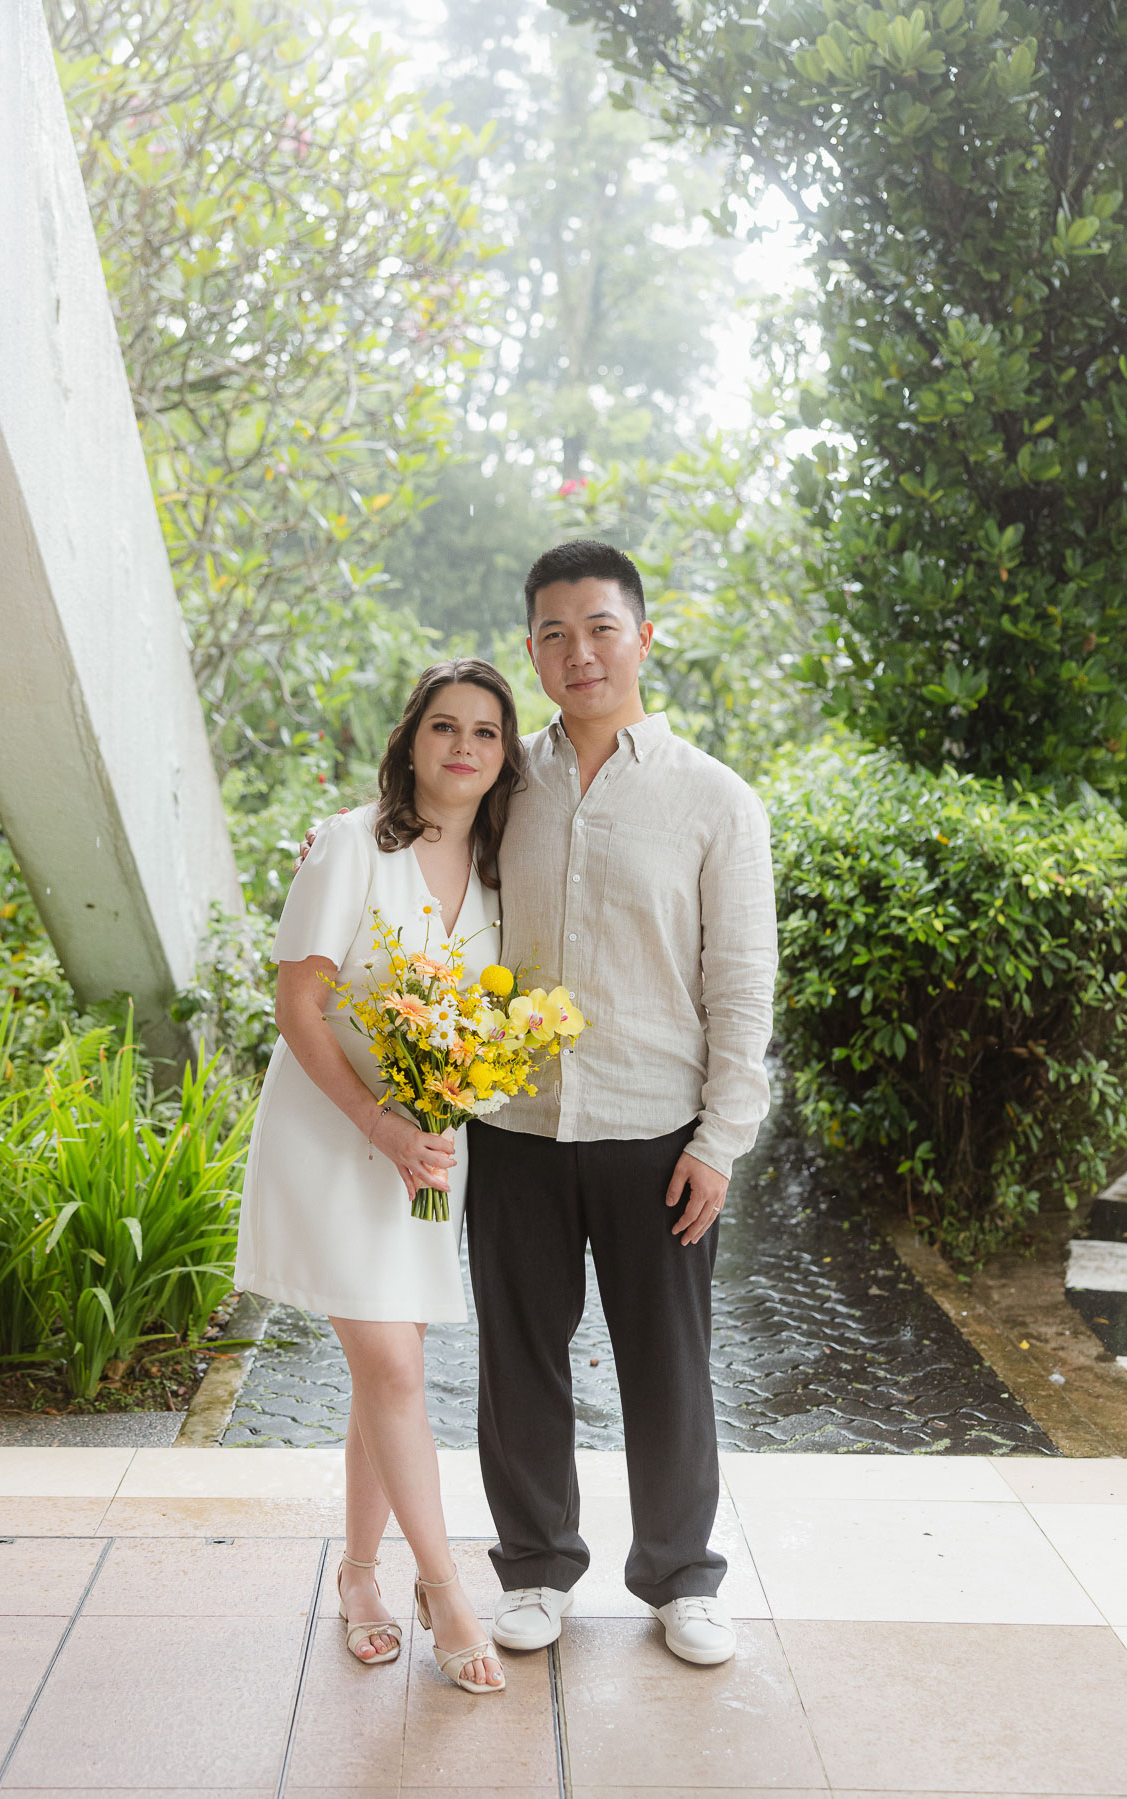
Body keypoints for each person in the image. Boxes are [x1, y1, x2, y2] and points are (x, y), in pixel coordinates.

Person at [300, 539, 778, 1670]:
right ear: (532, 649)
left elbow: (742, 984)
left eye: (601, 628)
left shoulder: (716, 799)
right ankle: (535, 1567)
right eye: (555, 634)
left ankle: (682, 1577)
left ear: (642, 637)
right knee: (518, 1360)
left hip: (657, 1129)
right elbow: (409, 837)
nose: (580, 652)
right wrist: (333, 846)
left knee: (669, 1365)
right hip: (513, 1126)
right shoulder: (506, 780)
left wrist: (721, 1139)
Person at [237, 658, 526, 1694]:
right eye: (444, 725)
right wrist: (376, 1121)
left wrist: (443, 1109)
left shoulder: (499, 870)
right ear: (411, 740)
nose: (464, 745)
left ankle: (359, 1574)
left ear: (506, 754)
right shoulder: (352, 843)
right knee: (396, 1370)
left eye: (486, 731)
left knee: (386, 1367)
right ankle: (444, 1587)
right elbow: (298, 1005)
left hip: (425, 1152)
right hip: (333, 1138)